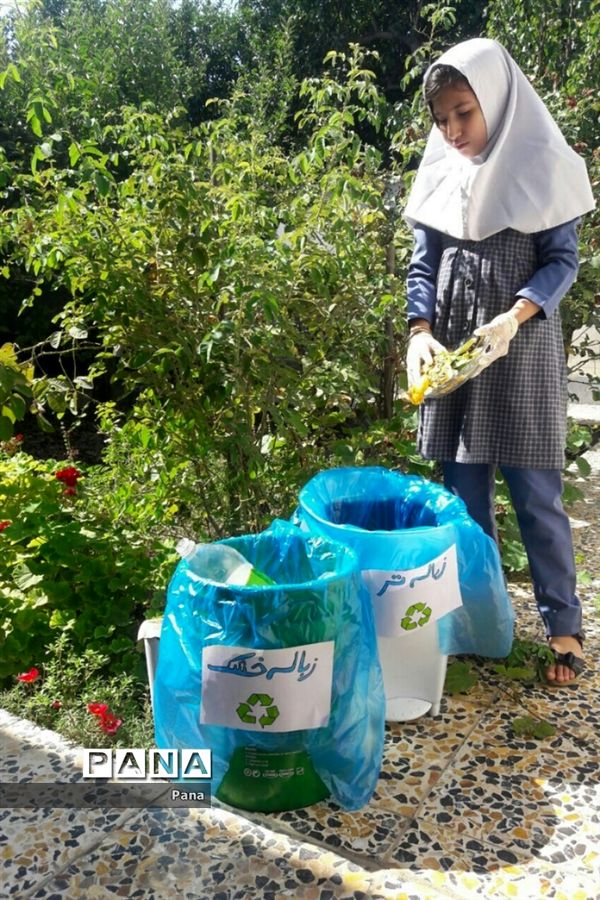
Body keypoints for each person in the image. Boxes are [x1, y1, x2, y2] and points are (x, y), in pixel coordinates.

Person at [403, 38, 595, 685]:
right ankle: (479, 626)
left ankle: (564, 628)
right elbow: (423, 265)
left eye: (464, 112)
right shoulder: (441, 173)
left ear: (495, 101)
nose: (453, 130)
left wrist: (514, 318)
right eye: (442, 119)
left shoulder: (541, 163)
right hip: (458, 359)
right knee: (463, 499)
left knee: (537, 499)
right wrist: (419, 330)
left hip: (517, 353)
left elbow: (561, 262)